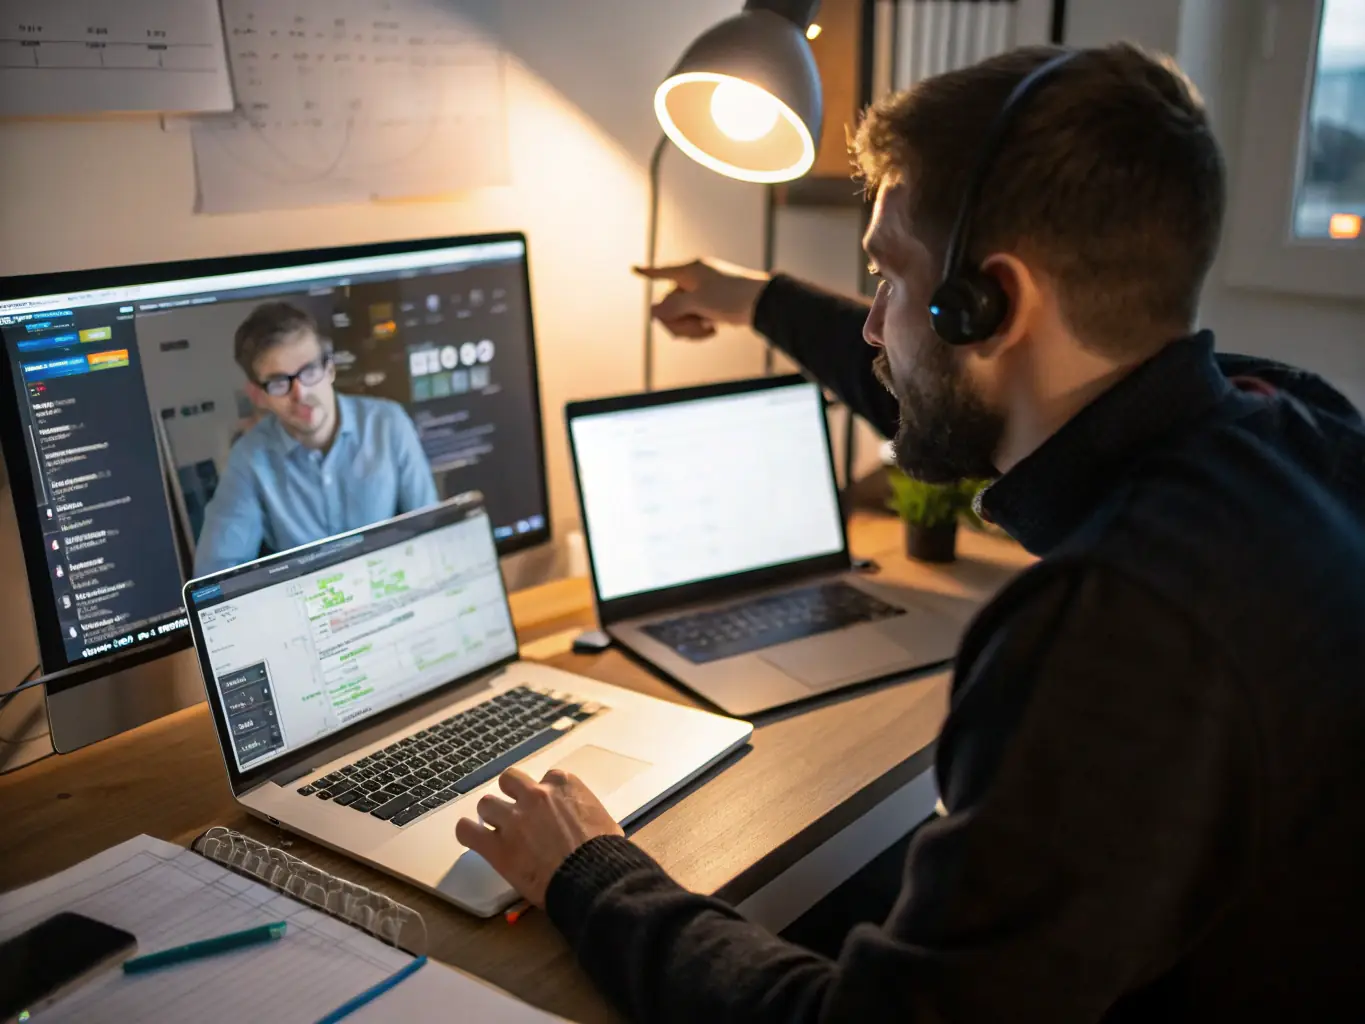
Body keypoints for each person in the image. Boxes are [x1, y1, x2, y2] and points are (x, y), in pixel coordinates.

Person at [454, 43, 1365, 1021]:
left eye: (888, 275)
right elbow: (947, 391)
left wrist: (591, 871)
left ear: (990, 304)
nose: (873, 325)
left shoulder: (1106, 627)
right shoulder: (1294, 422)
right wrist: (753, 299)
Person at [194, 301, 438, 575]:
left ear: (330, 369)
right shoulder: (249, 459)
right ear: (259, 395)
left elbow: (431, 533)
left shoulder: (388, 423)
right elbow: (215, 575)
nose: (300, 394)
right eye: (279, 382)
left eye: (309, 371)